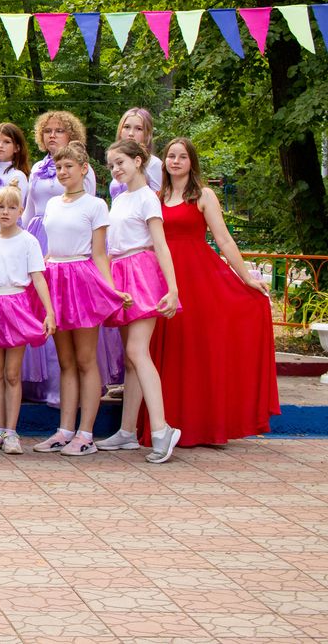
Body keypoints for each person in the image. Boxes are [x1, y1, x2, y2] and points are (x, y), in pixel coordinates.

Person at [146, 137, 279, 447]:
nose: (175, 161)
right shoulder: (155, 197)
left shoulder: (203, 195)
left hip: (198, 279)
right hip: (164, 277)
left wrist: (246, 278)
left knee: (198, 348)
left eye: (182, 156)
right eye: (171, 156)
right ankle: (168, 423)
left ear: (192, 162)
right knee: (171, 347)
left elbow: (224, 239)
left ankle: (204, 426)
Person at [32, 142, 126, 457]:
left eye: (68, 167)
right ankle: (64, 430)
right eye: (59, 167)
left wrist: (111, 290)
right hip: (55, 279)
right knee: (66, 361)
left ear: (84, 169)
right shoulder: (53, 204)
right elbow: (51, 248)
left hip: (81, 281)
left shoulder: (96, 205)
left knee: (86, 359)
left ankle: (86, 433)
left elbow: (99, 254)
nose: (62, 172)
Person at [95, 139, 182, 463]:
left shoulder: (148, 198)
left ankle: (162, 429)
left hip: (142, 273)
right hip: (120, 274)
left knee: (137, 351)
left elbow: (161, 245)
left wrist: (172, 289)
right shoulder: (119, 199)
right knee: (130, 359)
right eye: (111, 165)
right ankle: (127, 431)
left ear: (138, 160)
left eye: (120, 162)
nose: (115, 169)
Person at [0, 182, 53, 454]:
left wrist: (49, 312)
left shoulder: (28, 241)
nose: (6, 212)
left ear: (21, 211)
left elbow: (38, 278)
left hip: (16, 307)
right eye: (1, 207)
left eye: (12, 207)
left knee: (13, 373)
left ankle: (12, 432)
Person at [22, 110, 99, 406]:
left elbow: (85, 213)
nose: (52, 135)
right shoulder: (37, 168)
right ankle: (38, 386)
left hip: (67, 244)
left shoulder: (82, 170)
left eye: (59, 130)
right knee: (41, 309)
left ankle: (60, 390)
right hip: (37, 236)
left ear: (71, 135)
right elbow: (28, 209)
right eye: (47, 131)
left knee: (65, 314)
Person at [109, 108, 163, 198]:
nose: (131, 133)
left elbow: (157, 201)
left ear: (147, 134)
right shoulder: (117, 161)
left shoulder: (154, 164)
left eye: (138, 129)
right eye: (127, 127)